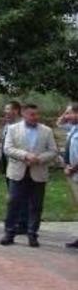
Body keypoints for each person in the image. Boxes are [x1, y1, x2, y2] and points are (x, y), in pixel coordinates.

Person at [0, 104, 59, 247]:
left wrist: (39, 158)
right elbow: (7, 149)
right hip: (17, 172)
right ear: (24, 115)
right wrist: (25, 155)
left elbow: (53, 151)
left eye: (37, 114)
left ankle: (32, 234)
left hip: (38, 172)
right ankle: (9, 233)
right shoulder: (13, 129)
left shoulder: (47, 131)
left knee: (36, 205)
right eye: (32, 114)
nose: (36, 117)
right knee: (13, 203)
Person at [1, 101, 27, 234]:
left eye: (8, 109)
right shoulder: (7, 126)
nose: (5, 112)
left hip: (19, 167)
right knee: (13, 195)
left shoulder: (22, 127)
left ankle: (22, 223)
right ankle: (16, 221)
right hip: (8, 166)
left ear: (16, 111)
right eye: (5, 109)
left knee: (20, 195)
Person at [58, 103, 78, 249]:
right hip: (73, 174)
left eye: (70, 113)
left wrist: (73, 169)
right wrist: (67, 110)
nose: (67, 116)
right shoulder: (73, 128)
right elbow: (59, 123)